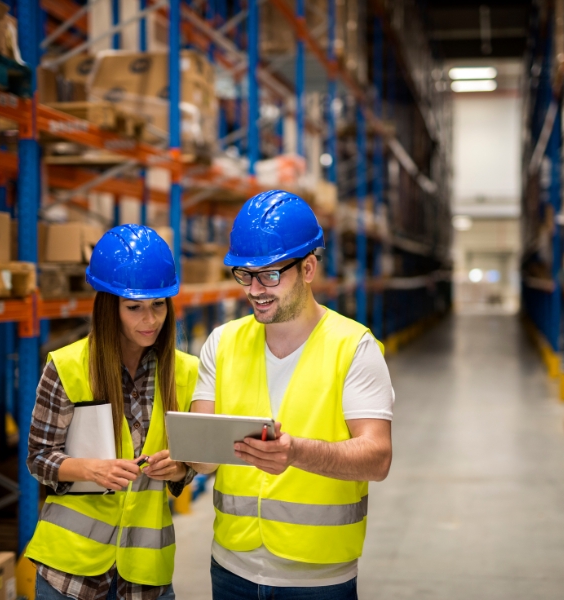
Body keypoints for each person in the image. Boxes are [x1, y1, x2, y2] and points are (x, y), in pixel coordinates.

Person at [190, 190, 395, 600]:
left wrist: (297, 452)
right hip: (232, 567)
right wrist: (180, 452)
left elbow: (377, 458)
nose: (255, 289)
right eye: (244, 274)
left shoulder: (353, 347)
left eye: (270, 275)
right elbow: (202, 459)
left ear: (308, 268)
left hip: (318, 579)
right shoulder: (222, 342)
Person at [25, 225, 199, 600]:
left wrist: (180, 469)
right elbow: (39, 459)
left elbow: (191, 465)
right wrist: (92, 469)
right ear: (109, 307)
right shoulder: (68, 366)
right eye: (134, 308)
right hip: (69, 573)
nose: (150, 320)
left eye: (158, 305)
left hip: (145, 575)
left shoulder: (186, 373)